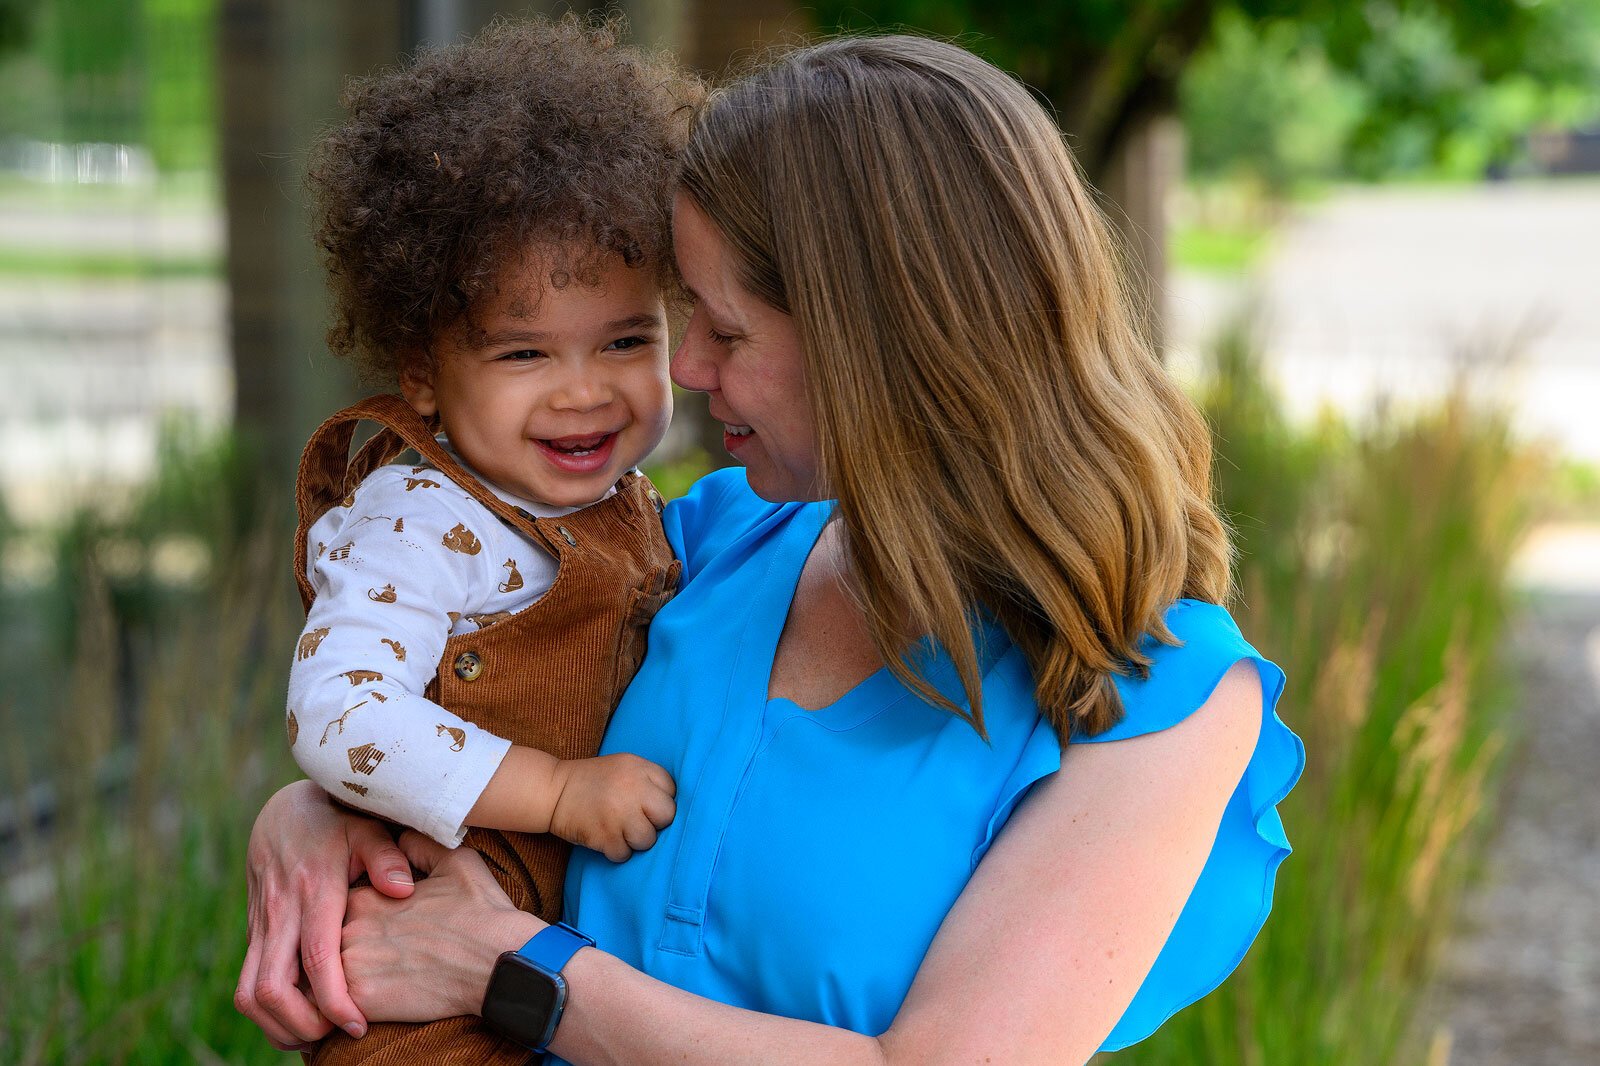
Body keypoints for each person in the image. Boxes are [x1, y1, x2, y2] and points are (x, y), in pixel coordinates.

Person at [237, 33, 1305, 1064]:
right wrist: (316, 815)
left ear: (880, 340)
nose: (689, 370)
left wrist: (512, 969)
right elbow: (441, 705)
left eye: (721, 328)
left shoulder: (1157, 697)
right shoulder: (689, 547)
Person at [278, 16, 699, 1064]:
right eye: (523, 352)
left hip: (546, 952)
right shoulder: (419, 518)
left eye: (624, 339)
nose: (584, 389)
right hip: (423, 991)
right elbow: (337, 711)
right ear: (422, 372)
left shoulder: (629, 501)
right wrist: (556, 789)